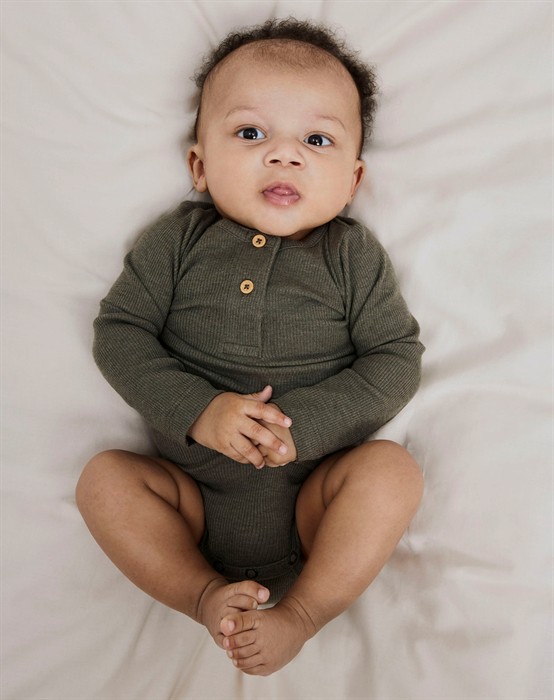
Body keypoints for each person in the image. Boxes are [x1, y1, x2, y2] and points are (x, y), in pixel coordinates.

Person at [76, 17, 425, 676]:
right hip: (188, 498)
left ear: (352, 181)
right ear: (199, 165)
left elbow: (395, 359)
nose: (284, 155)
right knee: (103, 481)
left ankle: (305, 612)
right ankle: (202, 593)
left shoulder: (349, 254)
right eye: (250, 133)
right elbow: (119, 331)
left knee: (392, 472)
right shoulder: (178, 242)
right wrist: (199, 411)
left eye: (316, 140)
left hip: (313, 501)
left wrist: (306, 427)